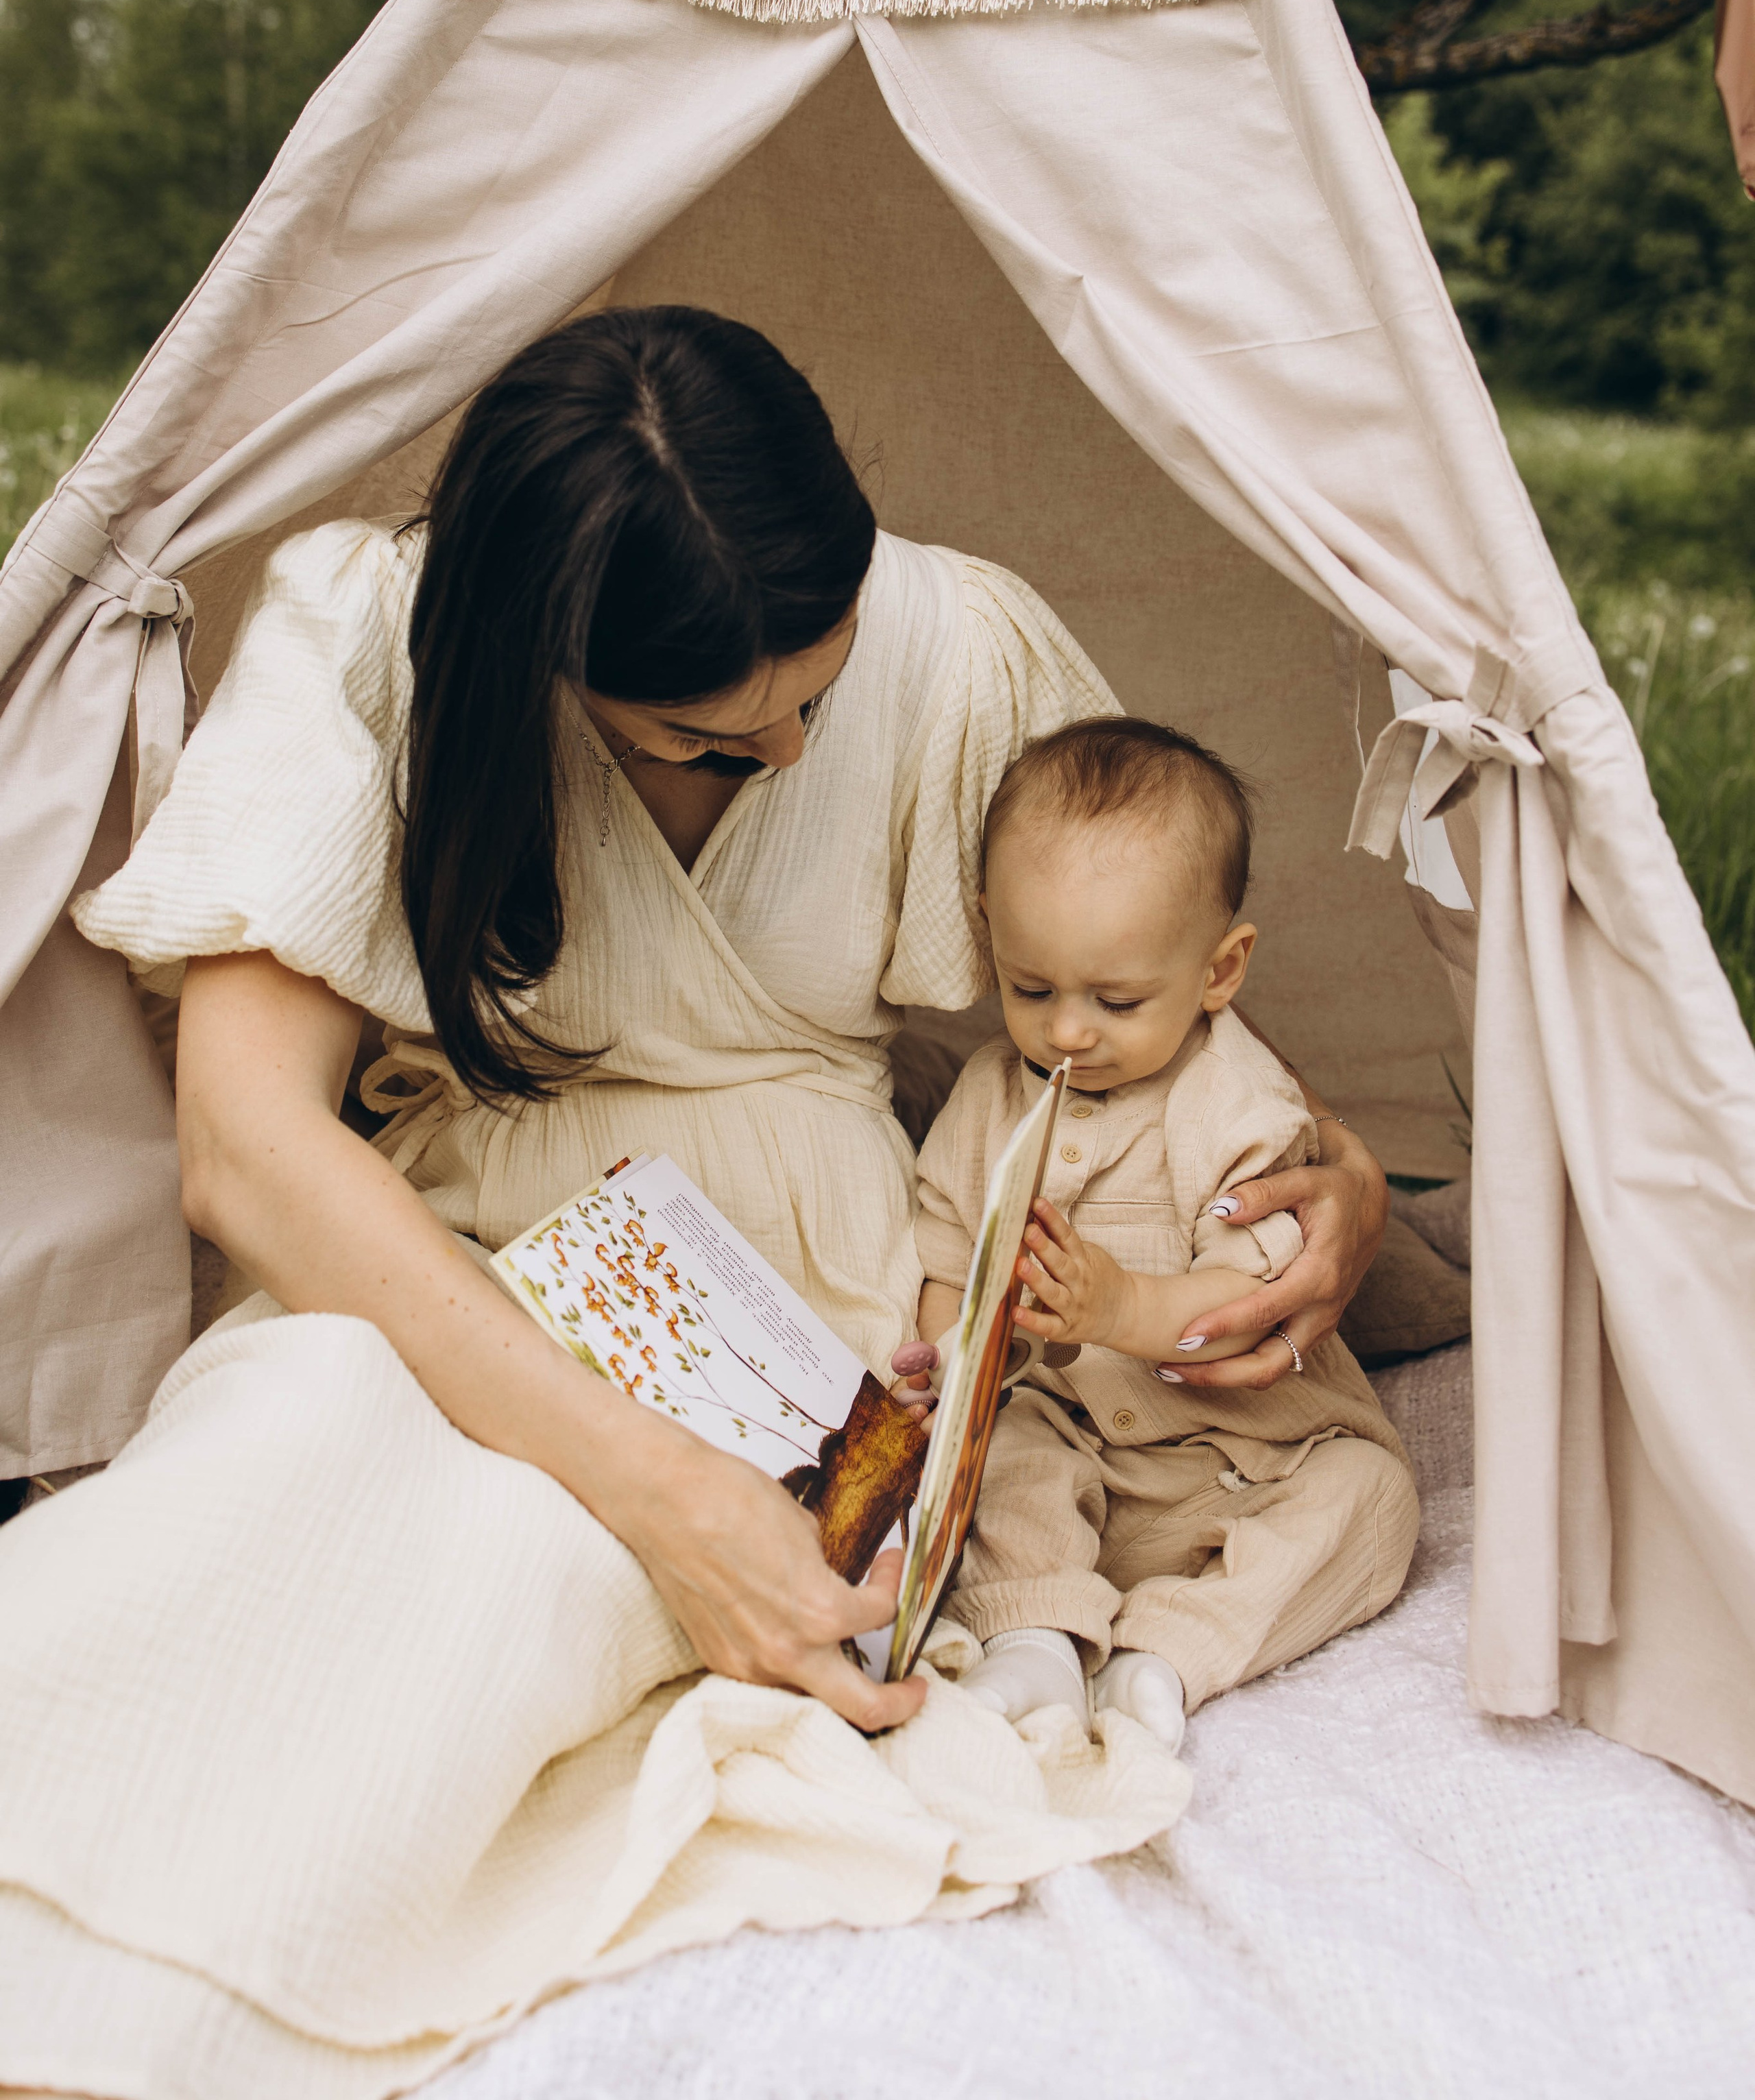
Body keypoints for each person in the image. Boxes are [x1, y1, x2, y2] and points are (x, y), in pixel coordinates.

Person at [0, 311, 1390, 2095]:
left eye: (820, 693)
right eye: (720, 740)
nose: (795, 751)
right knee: (264, 1474)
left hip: (798, 1299)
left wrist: (1343, 1185)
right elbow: (248, 1147)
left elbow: (1155, 989)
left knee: (508, 1591)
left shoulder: (955, 639)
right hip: (417, 1267)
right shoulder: (367, 635)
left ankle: (181, 2014)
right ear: (540, 665)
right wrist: (652, 1488)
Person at [895, 717, 1418, 1750]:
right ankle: (1035, 1633)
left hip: (1250, 1461)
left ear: (1220, 971)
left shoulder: (1240, 1104)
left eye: (1118, 999)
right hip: (1072, 1460)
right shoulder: (989, 1099)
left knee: (1374, 1498)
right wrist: (950, 1361)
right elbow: (949, 1258)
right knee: (1002, 1449)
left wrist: (1124, 1306)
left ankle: (1169, 1655)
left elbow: (1253, 1301)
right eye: (1031, 988)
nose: (1067, 1030)